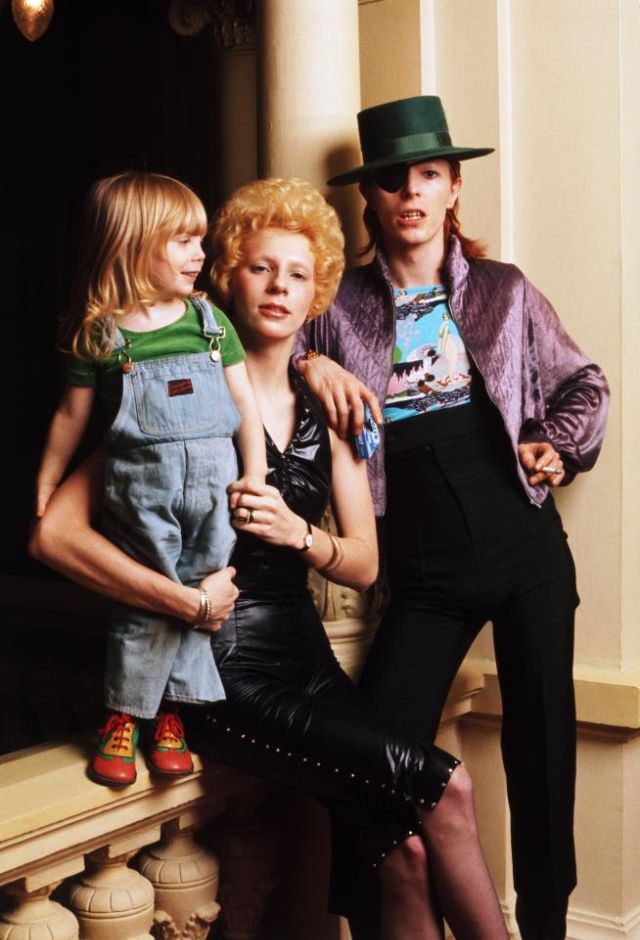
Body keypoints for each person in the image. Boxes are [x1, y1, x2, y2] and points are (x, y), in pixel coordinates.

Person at [31, 176, 509, 940]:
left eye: (297, 274)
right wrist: (178, 600)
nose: (279, 288)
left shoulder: (332, 401)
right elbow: (51, 534)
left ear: (317, 287)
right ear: (226, 275)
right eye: (260, 269)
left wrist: (300, 535)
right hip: (218, 667)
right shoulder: (172, 388)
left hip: (307, 658)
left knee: (409, 855)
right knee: (446, 789)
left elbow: (362, 564)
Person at [296, 96, 609, 939]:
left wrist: (556, 444)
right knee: (376, 759)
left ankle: (546, 925)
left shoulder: (505, 293)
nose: (410, 192)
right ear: (369, 200)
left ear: (454, 187)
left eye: (427, 175)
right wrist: (313, 364)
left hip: (525, 542)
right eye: (393, 180)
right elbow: (266, 338)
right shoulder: (335, 307)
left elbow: (588, 383)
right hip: (423, 566)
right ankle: (382, 920)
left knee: (543, 755)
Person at [35, 171, 267, 787]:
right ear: (135, 244)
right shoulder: (101, 335)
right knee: (149, 599)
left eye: (201, 240)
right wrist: (46, 481)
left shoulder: (211, 323)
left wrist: (258, 475)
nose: (201, 254)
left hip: (216, 491)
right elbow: (71, 416)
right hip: (142, 492)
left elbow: (245, 406)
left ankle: (172, 712)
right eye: (183, 241)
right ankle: (125, 713)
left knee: (198, 589)